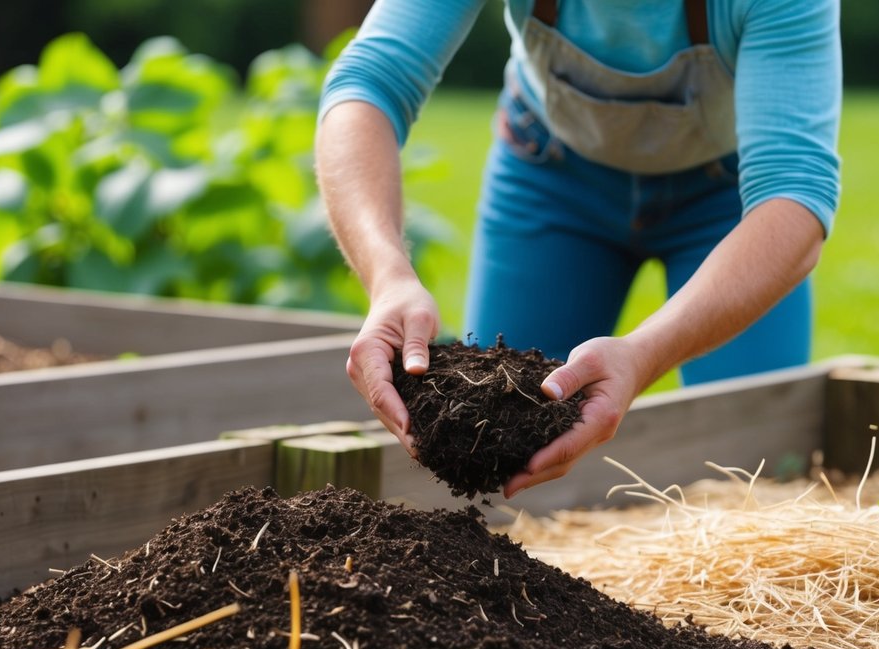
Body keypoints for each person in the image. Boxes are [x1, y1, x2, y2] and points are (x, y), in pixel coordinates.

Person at [316, 0, 841, 498]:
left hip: (730, 206)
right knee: (498, 447)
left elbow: (792, 195)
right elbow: (368, 84)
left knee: (756, 473)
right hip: (553, 179)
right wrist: (388, 277)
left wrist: (643, 354)